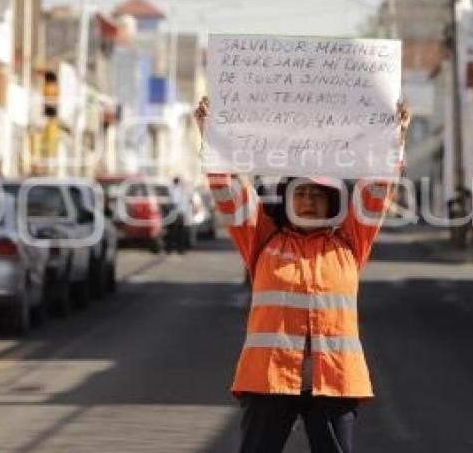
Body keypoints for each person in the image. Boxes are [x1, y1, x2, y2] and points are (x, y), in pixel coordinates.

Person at [195, 97, 409, 453]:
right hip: (268, 378)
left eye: (318, 194)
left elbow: (377, 188)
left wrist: (393, 136)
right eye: (301, 193)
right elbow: (228, 190)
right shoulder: (262, 240)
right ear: (287, 199)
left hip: (334, 380)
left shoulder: (350, 244)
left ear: (332, 203)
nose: (309, 200)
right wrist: (211, 134)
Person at [166, 176, 188, 254]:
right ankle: (177, 249)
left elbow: (175, 202)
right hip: (179, 213)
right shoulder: (177, 190)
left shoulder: (175, 190)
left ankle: (174, 248)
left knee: (174, 232)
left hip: (176, 213)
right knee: (177, 232)